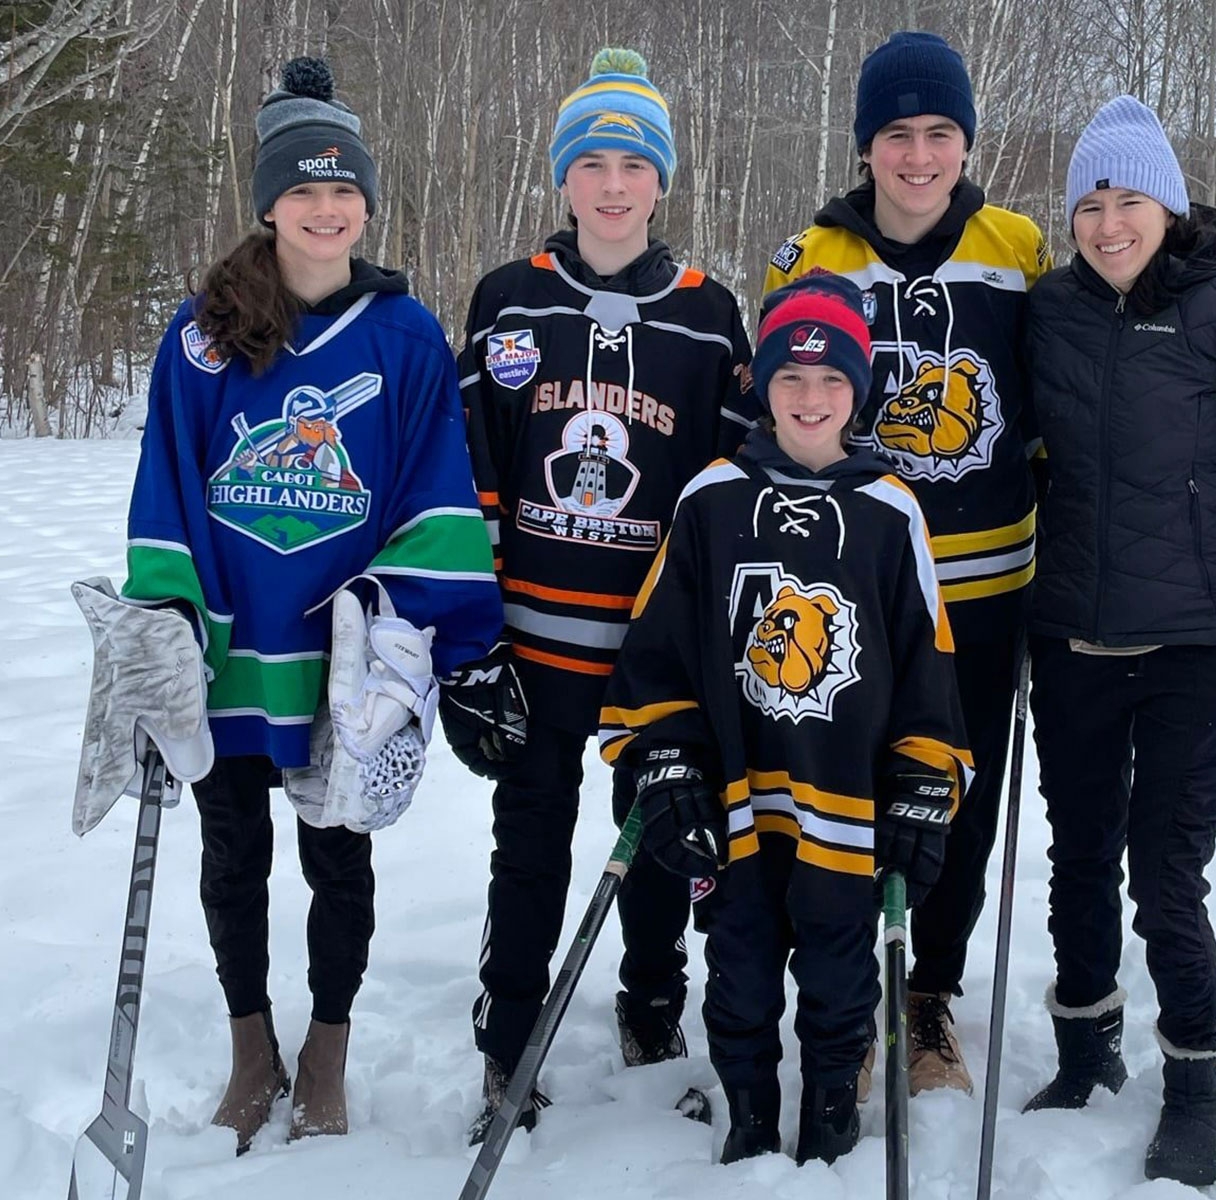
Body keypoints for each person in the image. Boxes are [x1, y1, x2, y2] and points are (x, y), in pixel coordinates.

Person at [118, 57, 501, 1152]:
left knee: (339, 851)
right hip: (236, 648)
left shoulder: (405, 335)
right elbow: (171, 484)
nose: (326, 209)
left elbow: (435, 489)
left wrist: (415, 624)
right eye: (304, 190)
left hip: (341, 652)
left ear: (366, 205)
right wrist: (170, 615)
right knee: (232, 851)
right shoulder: (201, 334)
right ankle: (254, 1050)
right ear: (270, 203)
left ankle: (326, 1046)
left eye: (344, 192)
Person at [441, 48, 757, 1141]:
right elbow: (468, 477)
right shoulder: (509, 300)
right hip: (533, 643)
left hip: (651, 654)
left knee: (663, 832)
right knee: (528, 840)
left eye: (633, 163)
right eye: (592, 163)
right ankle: (510, 1037)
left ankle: (650, 1004)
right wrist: (470, 645)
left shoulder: (710, 316)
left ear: (661, 180)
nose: (613, 185)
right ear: (564, 177)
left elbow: (731, 495)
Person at [598, 275, 970, 1165]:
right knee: (741, 964)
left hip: (843, 795)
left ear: (860, 390)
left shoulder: (891, 509)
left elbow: (929, 654)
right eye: (792, 379)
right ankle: (752, 1119)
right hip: (739, 794)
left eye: (833, 380)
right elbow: (658, 649)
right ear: (762, 386)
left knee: (844, 973)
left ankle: (833, 1118)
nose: (811, 399)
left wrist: (924, 773)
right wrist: (667, 756)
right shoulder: (710, 498)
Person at [1022, 95, 1216, 1187]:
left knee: (1167, 872)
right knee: (1081, 855)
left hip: (1201, 646)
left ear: (1169, 205)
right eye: (1090, 203)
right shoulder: (1048, 310)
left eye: (1129, 200)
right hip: (1073, 638)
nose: (1108, 223)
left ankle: (1194, 1080)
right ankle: (1084, 1048)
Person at [762, 30, 1049, 1097]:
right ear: (866, 144)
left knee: (955, 801)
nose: (919, 156)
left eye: (940, 133)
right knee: (846, 789)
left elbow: (1056, 407)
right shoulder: (811, 258)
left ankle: (929, 995)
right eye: (897, 134)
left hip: (986, 590)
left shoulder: (1017, 249)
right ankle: (843, 984)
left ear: (964, 141)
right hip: (858, 588)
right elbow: (777, 420)